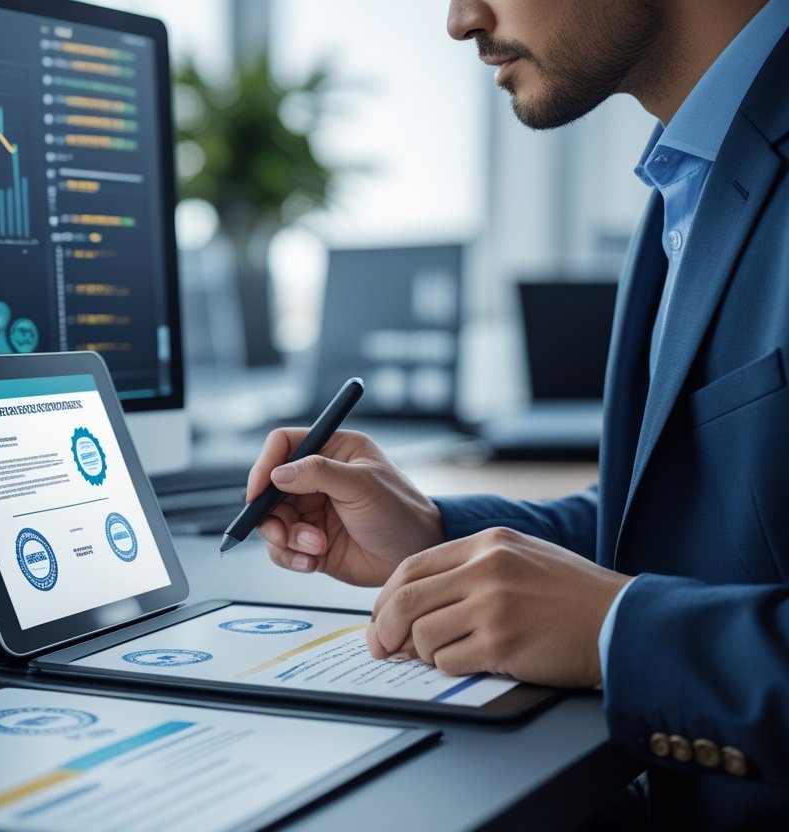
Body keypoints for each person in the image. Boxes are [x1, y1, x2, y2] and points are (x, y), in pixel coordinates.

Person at [247, 0, 789, 827]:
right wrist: (436, 535)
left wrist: (618, 631)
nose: (462, 19)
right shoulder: (692, 171)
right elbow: (694, 514)